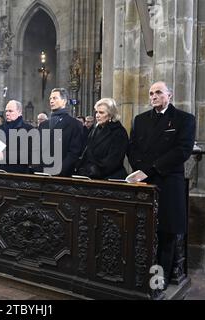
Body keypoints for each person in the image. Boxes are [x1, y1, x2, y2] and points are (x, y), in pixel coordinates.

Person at [128, 81, 196, 289]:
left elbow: (182, 151)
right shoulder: (140, 120)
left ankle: (160, 278)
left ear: (170, 95)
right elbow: (133, 148)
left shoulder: (184, 119)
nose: (154, 96)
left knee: (166, 231)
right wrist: (140, 170)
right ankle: (141, 274)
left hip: (168, 182)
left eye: (158, 92)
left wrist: (150, 169)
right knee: (144, 230)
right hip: (145, 182)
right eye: (151, 93)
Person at [76, 98, 129, 179]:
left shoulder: (119, 132)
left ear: (111, 114)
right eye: (96, 112)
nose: (97, 115)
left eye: (101, 112)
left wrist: (93, 170)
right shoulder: (95, 130)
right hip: (91, 175)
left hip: (110, 177)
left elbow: (113, 161)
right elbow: (87, 153)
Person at [38, 88, 83, 176]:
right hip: (42, 172)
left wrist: (59, 169)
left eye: (55, 98)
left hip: (63, 174)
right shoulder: (44, 125)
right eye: (50, 99)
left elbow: (74, 152)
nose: (51, 101)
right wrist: (39, 168)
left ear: (64, 101)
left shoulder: (75, 124)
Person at [0, 100, 34, 174]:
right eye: (6, 111)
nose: (7, 113)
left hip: (18, 174)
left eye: (10, 111)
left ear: (19, 112)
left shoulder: (28, 130)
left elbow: (28, 155)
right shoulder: (0, 129)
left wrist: (5, 155)